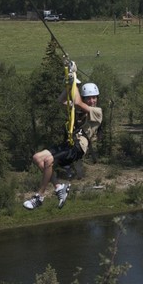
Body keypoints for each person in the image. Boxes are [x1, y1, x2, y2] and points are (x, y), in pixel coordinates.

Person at [23, 79, 102, 209]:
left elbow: (76, 102)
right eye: (88, 98)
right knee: (37, 158)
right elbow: (61, 101)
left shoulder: (97, 112)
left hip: (78, 147)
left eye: (94, 98)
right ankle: (59, 187)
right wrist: (69, 86)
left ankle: (39, 196)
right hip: (69, 144)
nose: (92, 101)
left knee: (49, 161)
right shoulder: (78, 110)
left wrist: (75, 84)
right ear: (84, 98)